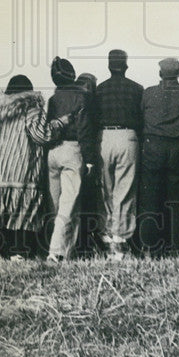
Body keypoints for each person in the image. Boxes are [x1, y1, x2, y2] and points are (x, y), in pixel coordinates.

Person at [0, 74, 71, 259]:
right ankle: (18, 253)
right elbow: (41, 135)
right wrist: (60, 123)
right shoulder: (32, 108)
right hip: (22, 170)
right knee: (21, 213)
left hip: (0, 171)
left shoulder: (0, 110)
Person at [139, 58, 179, 257]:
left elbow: (141, 116)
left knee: (150, 198)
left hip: (153, 146)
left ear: (160, 74)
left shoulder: (149, 93)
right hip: (178, 148)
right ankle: (177, 246)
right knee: (177, 199)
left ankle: (150, 246)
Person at [45, 57, 97, 263]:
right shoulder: (81, 97)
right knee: (69, 204)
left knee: (56, 205)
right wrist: (90, 158)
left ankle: (67, 251)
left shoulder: (53, 98)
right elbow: (85, 130)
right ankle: (56, 251)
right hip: (72, 150)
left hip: (52, 152)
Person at [94, 48, 143, 258]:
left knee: (106, 190)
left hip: (104, 138)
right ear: (126, 65)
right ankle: (120, 240)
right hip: (128, 137)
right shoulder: (137, 89)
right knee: (125, 191)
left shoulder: (99, 89)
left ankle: (107, 237)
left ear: (108, 66)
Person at [75, 72, 102, 256]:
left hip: (72, 154)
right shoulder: (91, 104)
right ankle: (87, 242)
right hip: (86, 156)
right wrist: (91, 160)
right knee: (89, 202)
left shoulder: (72, 100)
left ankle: (80, 242)